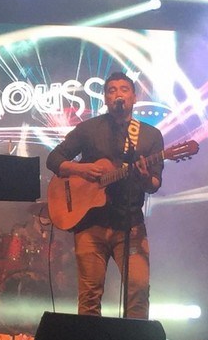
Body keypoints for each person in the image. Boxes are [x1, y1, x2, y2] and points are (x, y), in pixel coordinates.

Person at [46, 72, 163, 319]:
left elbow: (154, 184)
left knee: (138, 291)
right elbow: (54, 159)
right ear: (106, 98)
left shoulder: (150, 136)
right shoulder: (89, 129)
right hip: (91, 225)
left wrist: (143, 177)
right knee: (89, 297)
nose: (118, 94)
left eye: (124, 89)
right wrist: (81, 169)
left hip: (130, 225)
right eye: (112, 90)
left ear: (134, 97)